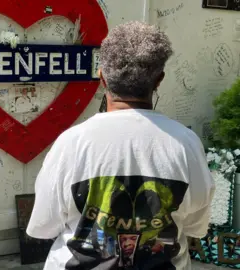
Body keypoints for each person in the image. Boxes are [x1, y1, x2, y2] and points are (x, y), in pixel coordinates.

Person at [26, 21, 215, 270]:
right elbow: (194, 226)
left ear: (102, 76)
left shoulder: (72, 143)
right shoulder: (186, 143)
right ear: (159, 80)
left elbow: (44, 225)